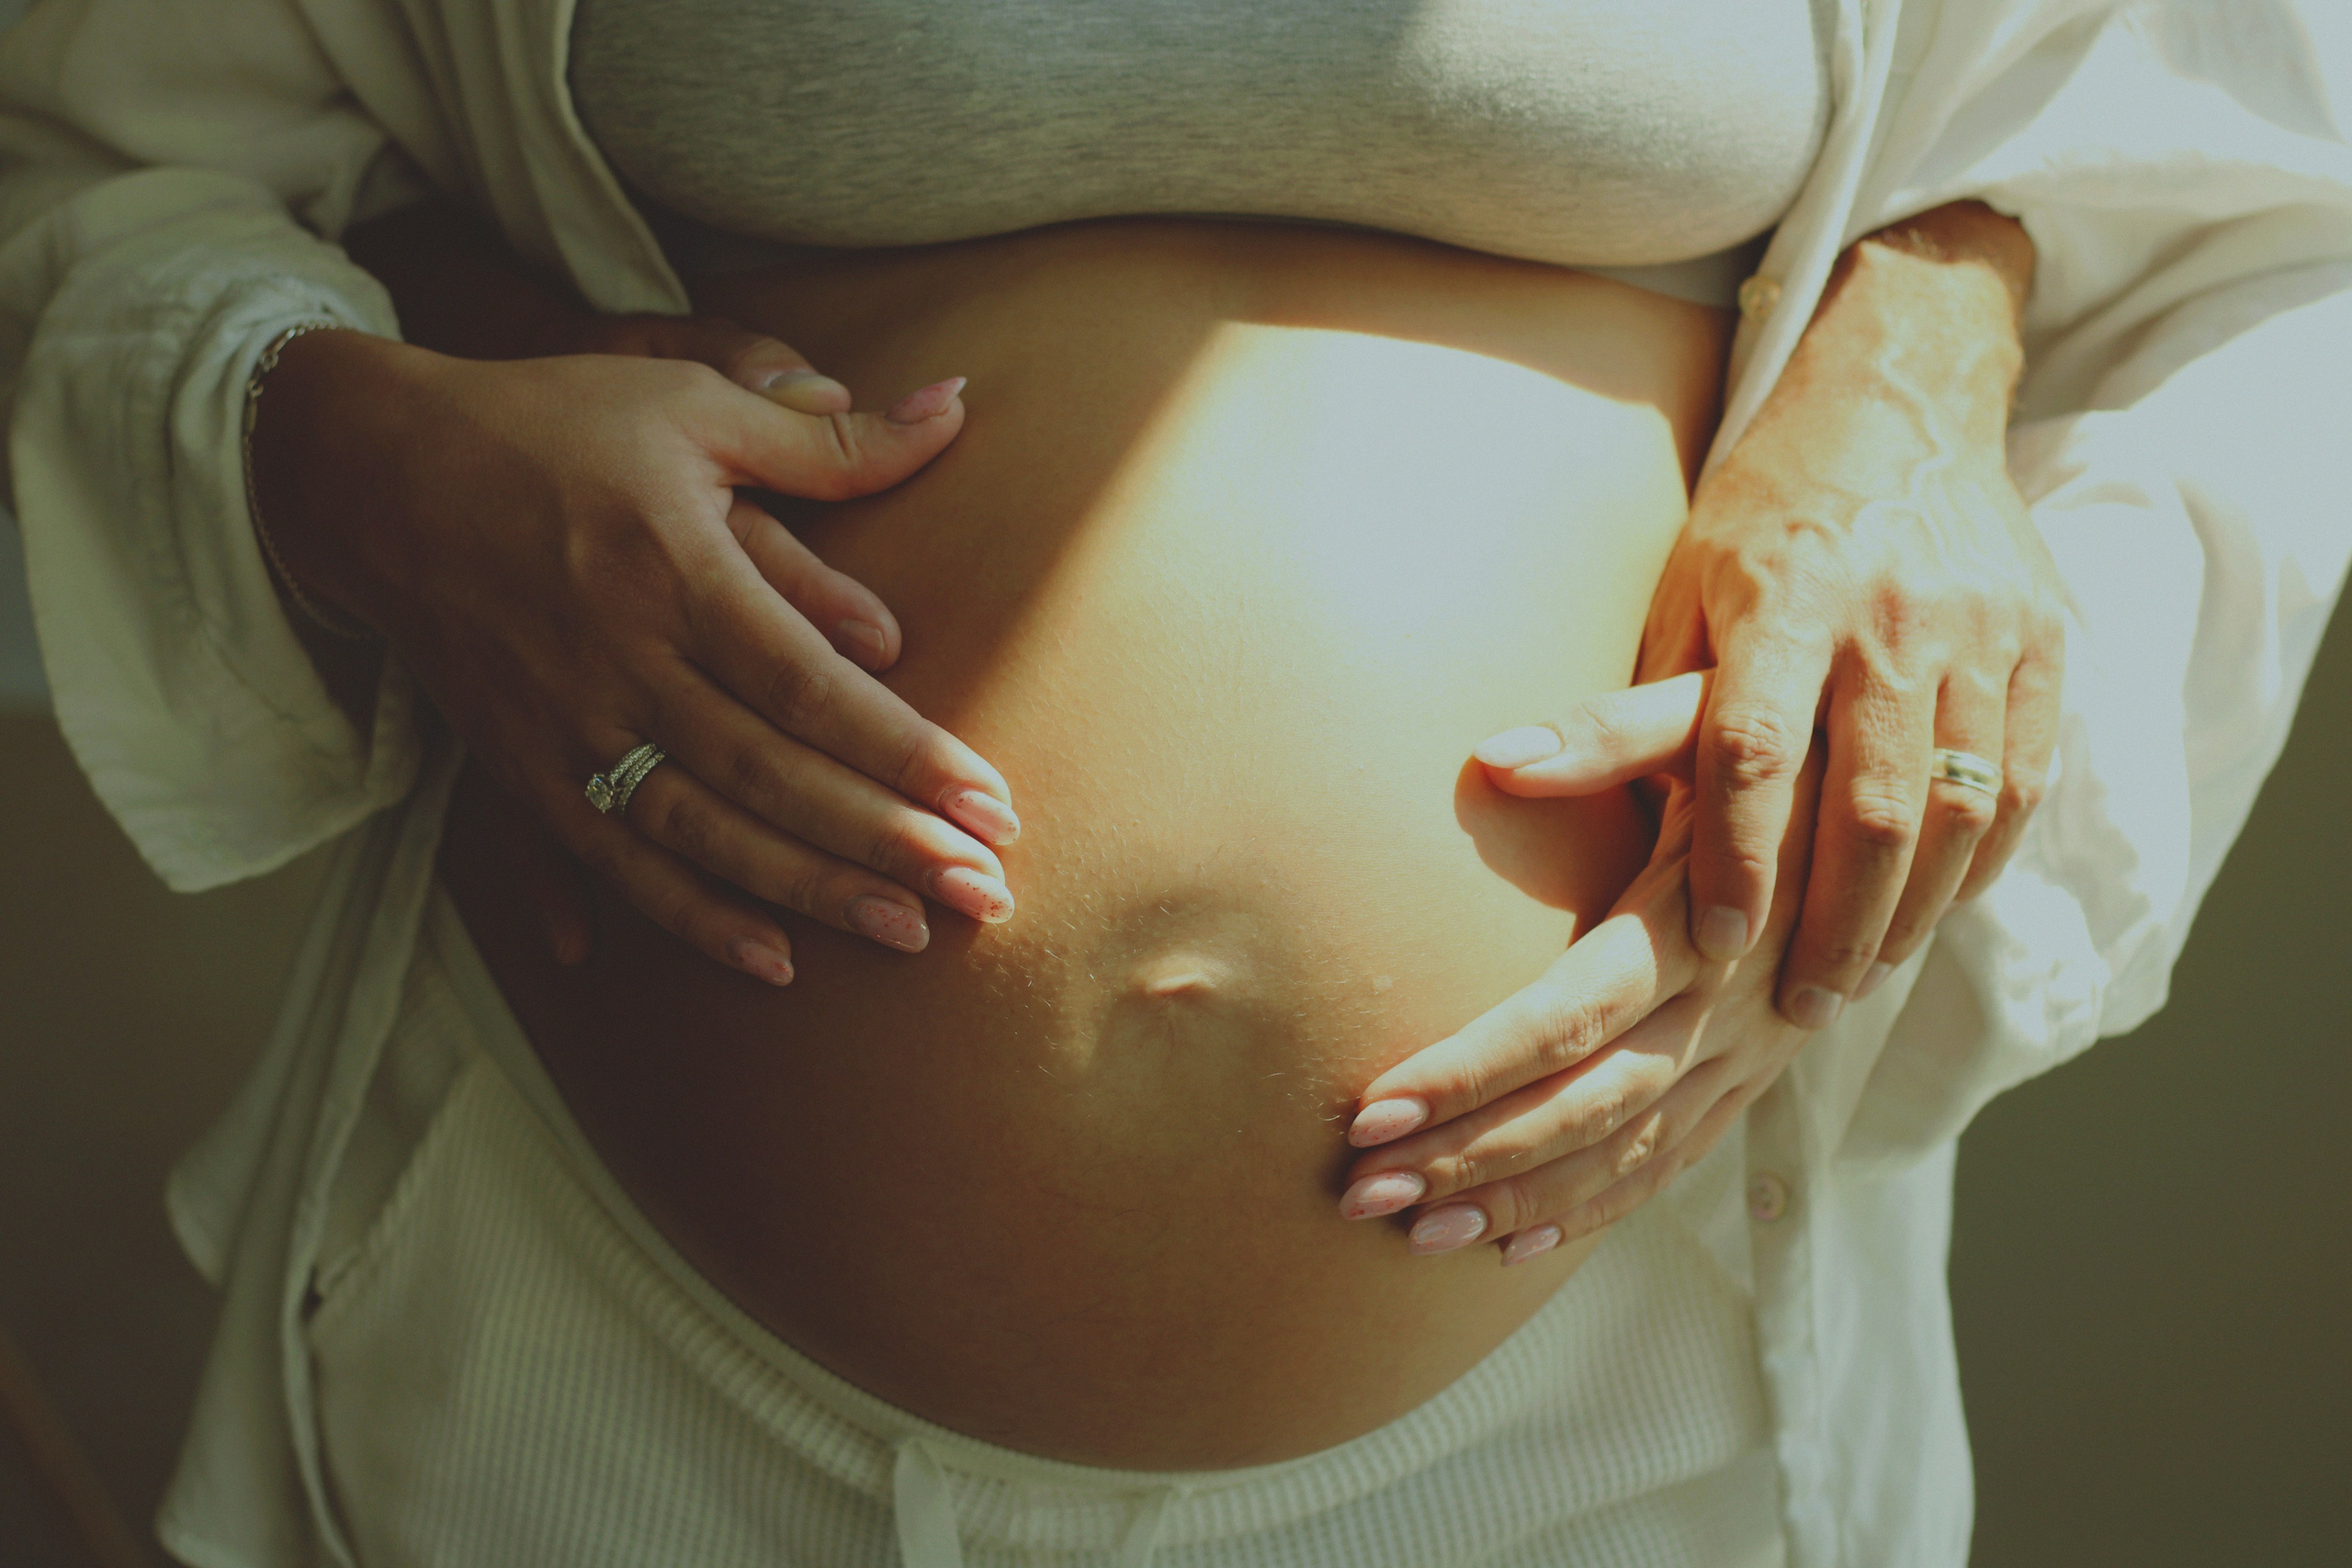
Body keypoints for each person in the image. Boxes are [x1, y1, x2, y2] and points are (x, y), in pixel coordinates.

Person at [2, 2, 2347, 1565]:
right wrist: (333, 435)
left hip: (1598, 1412)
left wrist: (1948, 332)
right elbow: (72, 174)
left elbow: (2251, 206)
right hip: (587, 1366)